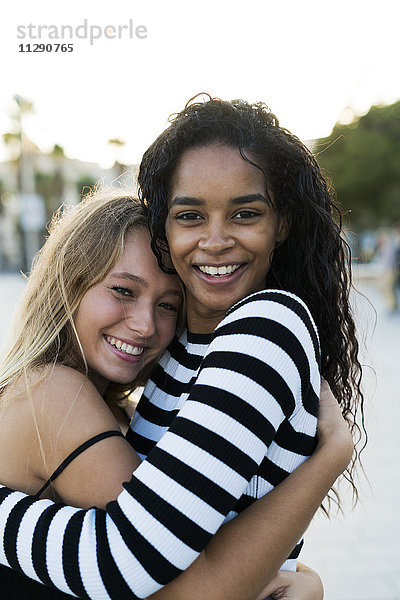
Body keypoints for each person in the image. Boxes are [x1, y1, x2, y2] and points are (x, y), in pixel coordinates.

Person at [0, 96, 360, 599]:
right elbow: (161, 571)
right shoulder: (61, 394)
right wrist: (328, 462)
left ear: (282, 224)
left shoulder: (263, 326)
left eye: (246, 213)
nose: (215, 240)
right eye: (190, 215)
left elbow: (146, 565)